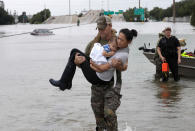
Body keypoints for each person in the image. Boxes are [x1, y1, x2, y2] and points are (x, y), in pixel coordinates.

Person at [49, 36, 120, 90]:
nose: (113, 48)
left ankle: (64, 83)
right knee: (74, 51)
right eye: (99, 29)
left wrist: (92, 64)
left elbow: (103, 66)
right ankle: (67, 82)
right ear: (109, 43)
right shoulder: (98, 42)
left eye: (115, 47)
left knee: (76, 55)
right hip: (95, 70)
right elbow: (85, 62)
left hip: (98, 78)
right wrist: (76, 62)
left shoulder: (114, 51)